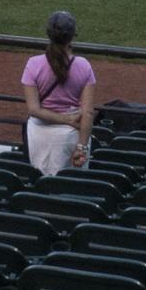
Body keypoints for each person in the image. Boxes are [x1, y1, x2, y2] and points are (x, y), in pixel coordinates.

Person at [21, 11, 98, 174]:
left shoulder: (33, 64)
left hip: (40, 136)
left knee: (44, 186)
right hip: (71, 136)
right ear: (72, 36)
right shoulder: (84, 65)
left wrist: (65, 120)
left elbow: (34, 109)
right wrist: (81, 147)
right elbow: (88, 113)